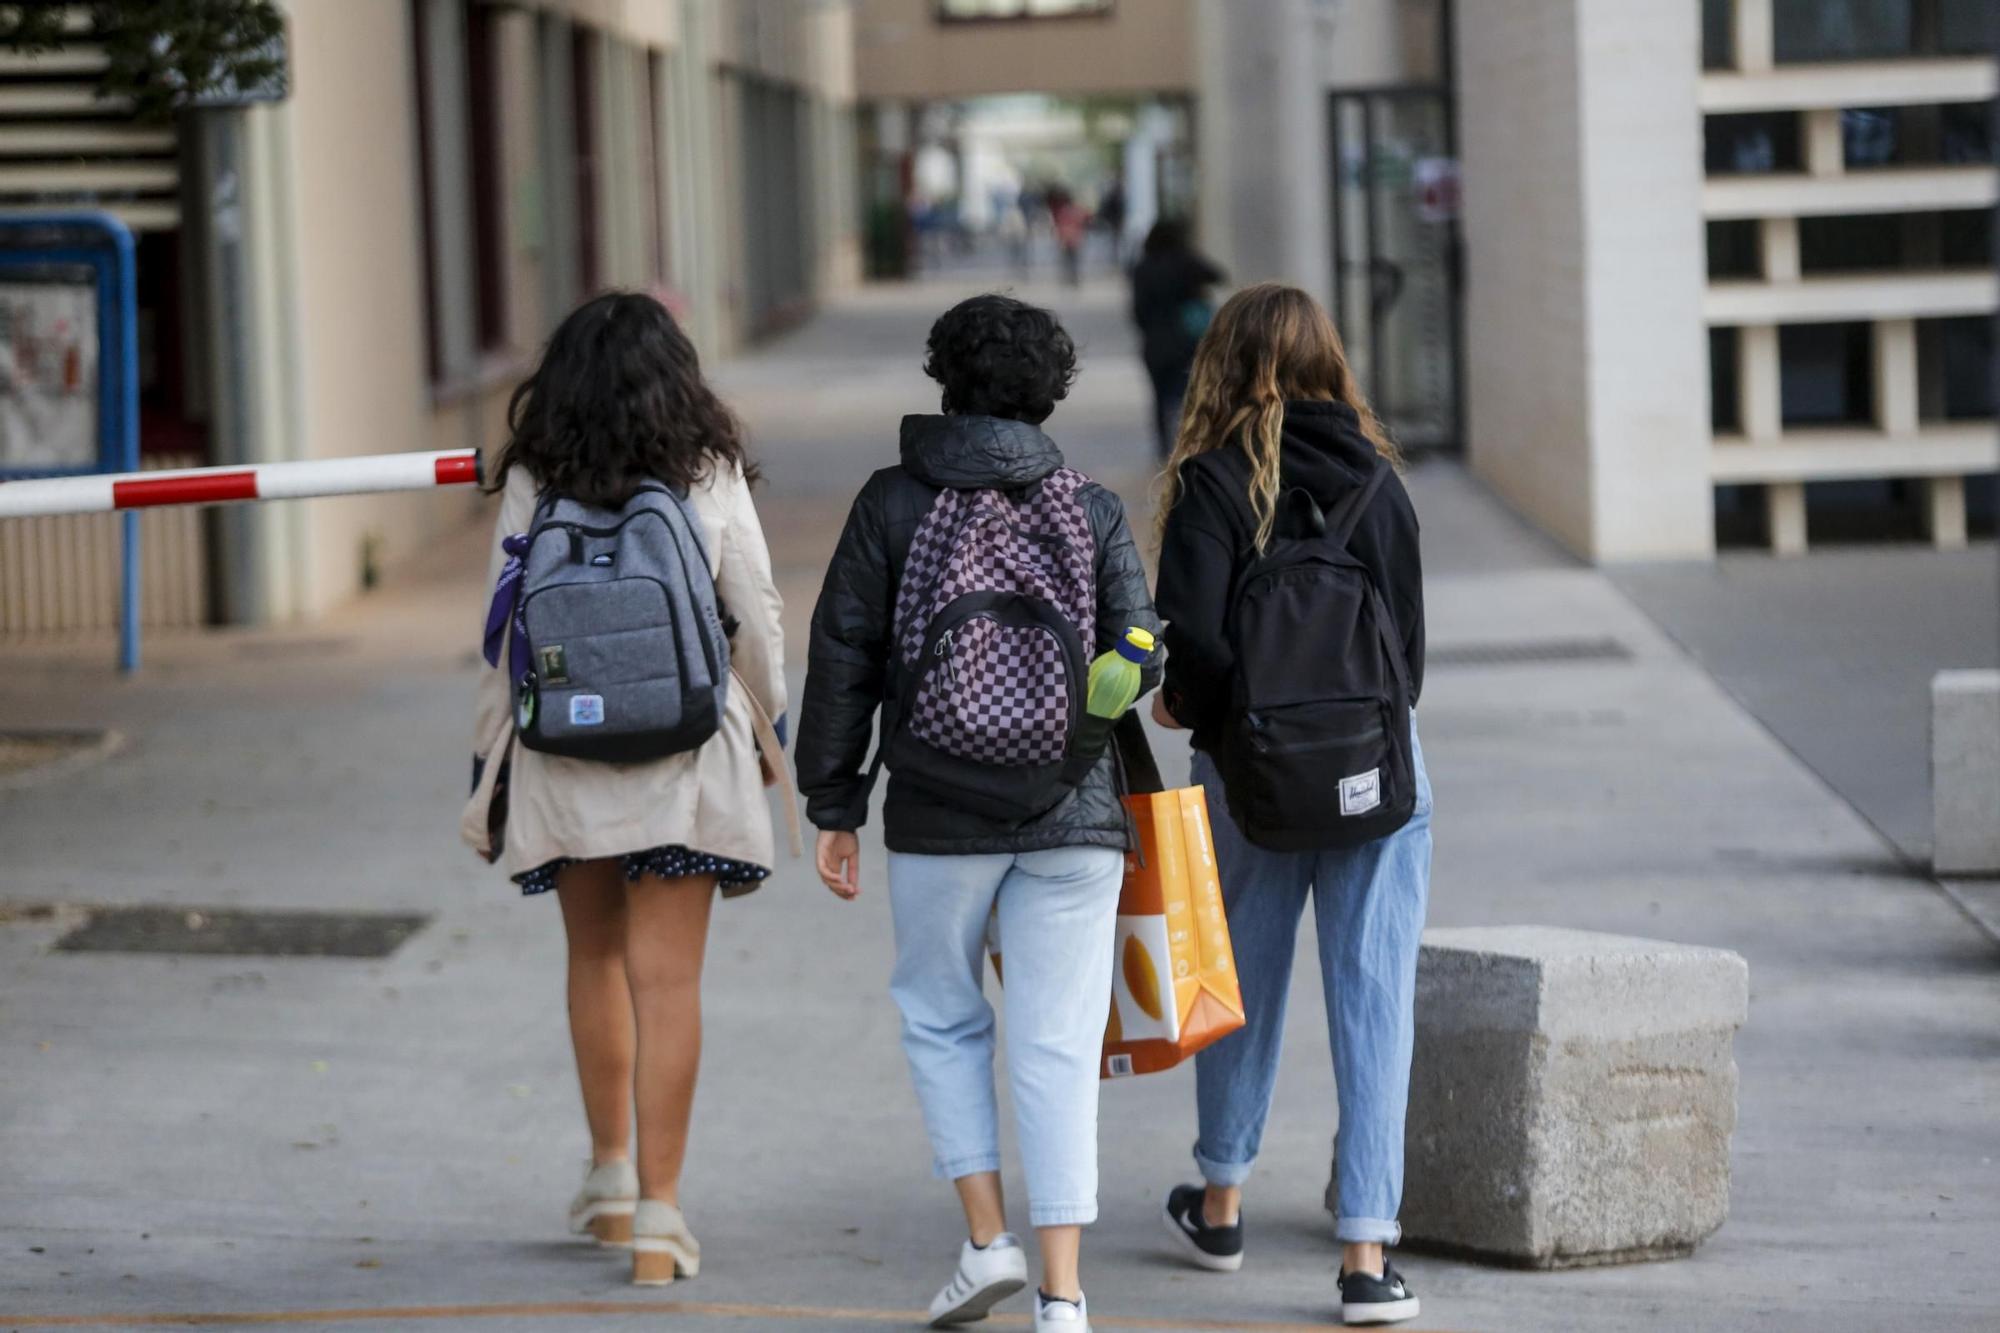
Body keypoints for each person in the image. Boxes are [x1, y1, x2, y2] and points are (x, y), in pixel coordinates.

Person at [798, 295, 1160, 1333]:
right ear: (1050, 390)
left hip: (935, 805)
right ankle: (1062, 1297)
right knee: (1053, 1043)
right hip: (1072, 810)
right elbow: (1137, 655)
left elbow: (843, 656)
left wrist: (834, 798)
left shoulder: (889, 502)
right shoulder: (1087, 505)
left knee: (943, 1018)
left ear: (942, 379)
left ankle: (985, 1239)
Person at [462, 292, 788, 1287]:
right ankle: (658, 1217)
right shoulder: (705, 464)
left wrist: (488, 761)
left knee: (593, 958)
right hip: (685, 754)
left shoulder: (531, 472)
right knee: (668, 982)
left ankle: (607, 1177)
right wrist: (770, 725)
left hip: (566, 754)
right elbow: (755, 609)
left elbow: (503, 622)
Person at [1148, 284, 1431, 1327]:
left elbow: (1199, 648)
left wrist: (1215, 722)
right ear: (1328, 361)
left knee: (1235, 984)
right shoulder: (1375, 482)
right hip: (1375, 775)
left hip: (1246, 778)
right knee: (1372, 1002)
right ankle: (1365, 1258)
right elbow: (1406, 653)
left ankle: (1218, 1201)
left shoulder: (1211, 483)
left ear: (1218, 365)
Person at [1129, 219, 1225, 458]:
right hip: (1186, 339)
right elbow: (1217, 275)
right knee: (1188, 393)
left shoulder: (1142, 267)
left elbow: (1138, 311)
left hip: (1154, 342)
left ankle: (1163, 448)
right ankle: (1190, 442)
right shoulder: (1186, 262)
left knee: (1160, 397)